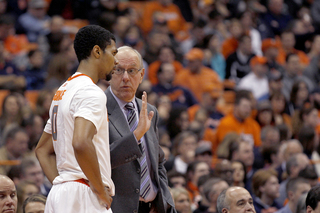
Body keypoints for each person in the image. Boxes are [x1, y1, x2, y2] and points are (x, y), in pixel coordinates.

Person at [35, 25, 118, 213]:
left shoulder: (62, 91)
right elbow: (81, 142)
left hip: (59, 193)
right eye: (113, 53)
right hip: (85, 194)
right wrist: (99, 189)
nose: (115, 61)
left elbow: (42, 150)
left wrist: (62, 183)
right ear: (97, 51)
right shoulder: (91, 91)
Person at [105, 46, 176, 213]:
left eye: (131, 71)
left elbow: (158, 161)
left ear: (141, 75)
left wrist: (162, 198)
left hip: (152, 208)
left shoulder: (150, 110)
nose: (125, 77)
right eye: (118, 70)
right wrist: (136, 135)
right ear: (109, 73)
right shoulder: (98, 108)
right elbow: (100, 161)